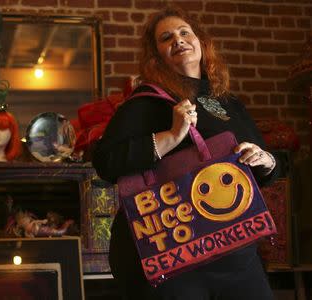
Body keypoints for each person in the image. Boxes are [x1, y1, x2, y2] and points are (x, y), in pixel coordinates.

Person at [92, 5, 279, 300]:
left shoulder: (229, 103)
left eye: (184, 32)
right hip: (174, 256)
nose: (177, 40)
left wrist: (265, 159)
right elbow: (106, 162)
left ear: (201, 43)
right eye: (166, 38)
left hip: (234, 247)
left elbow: (269, 172)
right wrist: (171, 136)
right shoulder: (146, 102)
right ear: (157, 56)